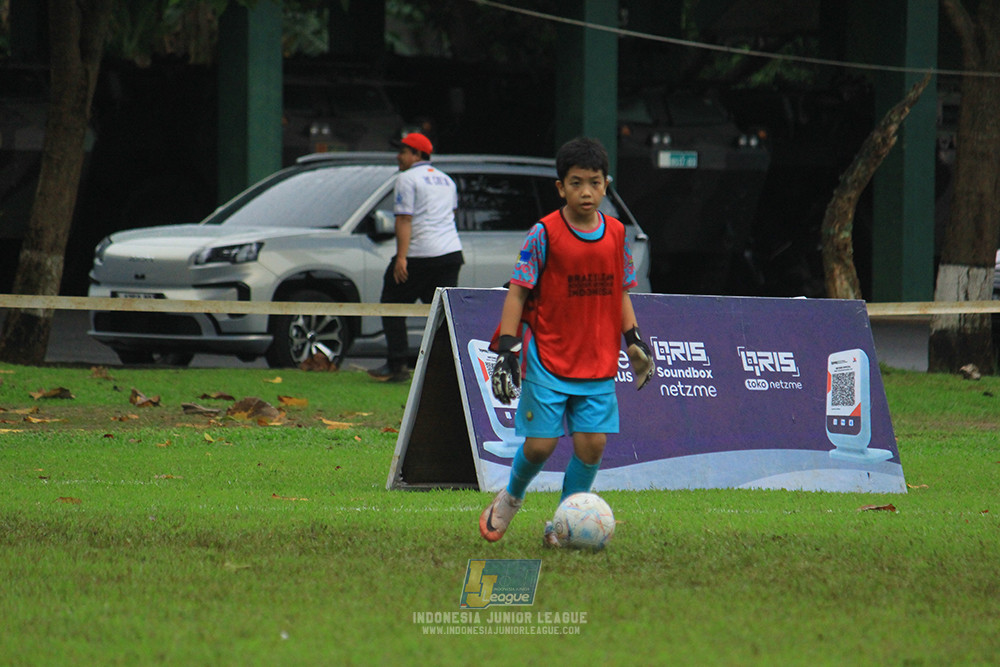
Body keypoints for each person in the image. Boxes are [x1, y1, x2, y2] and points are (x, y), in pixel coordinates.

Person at [478, 137, 654, 546]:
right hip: (548, 359)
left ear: (606, 185)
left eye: (594, 182)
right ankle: (510, 498)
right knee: (539, 447)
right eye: (576, 183)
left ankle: (562, 523)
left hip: (598, 362)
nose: (586, 192)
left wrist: (634, 340)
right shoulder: (544, 233)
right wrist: (507, 350)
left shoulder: (616, 234)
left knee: (592, 446)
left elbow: (621, 292)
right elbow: (517, 292)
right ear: (561, 188)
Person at [368, 132, 463, 382]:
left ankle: (397, 364)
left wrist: (401, 258)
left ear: (417, 155)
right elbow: (450, 215)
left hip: (421, 254)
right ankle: (449, 369)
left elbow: (404, 218)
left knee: (391, 302)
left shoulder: (407, 178)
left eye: (403, 151)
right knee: (444, 315)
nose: (398, 157)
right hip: (451, 254)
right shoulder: (447, 180)